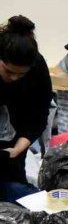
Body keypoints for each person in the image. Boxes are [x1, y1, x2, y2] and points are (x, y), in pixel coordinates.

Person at [0, 16, 52, 203]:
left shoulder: (37, 68)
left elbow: (39, 114)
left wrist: (19, 147)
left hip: (13, 143)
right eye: (8, 71)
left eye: (21, 74)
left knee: (15, 194)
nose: (14, 78)